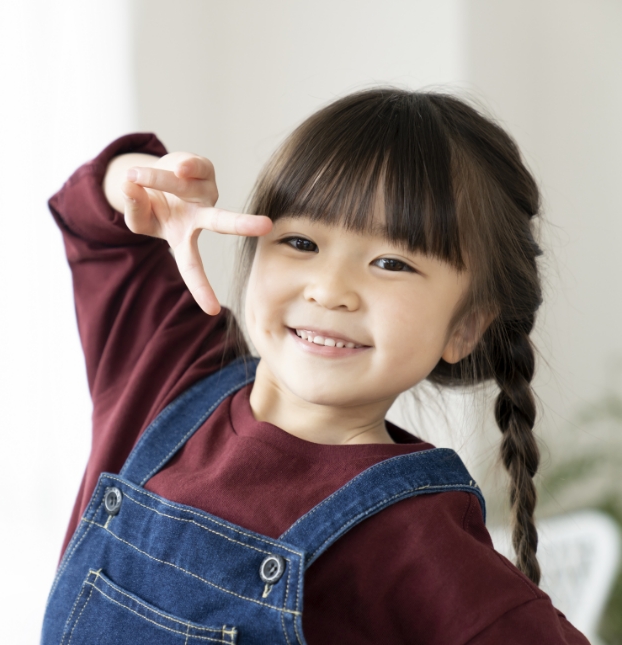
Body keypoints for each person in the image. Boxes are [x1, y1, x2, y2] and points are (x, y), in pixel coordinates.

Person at [40, 89, 588, 644]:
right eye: (300, 241)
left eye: (391, 262)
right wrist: (151, 182)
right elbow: (96, 220)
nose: (330, 290)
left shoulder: (423, 544)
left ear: (465, 326)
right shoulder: (168, 365)